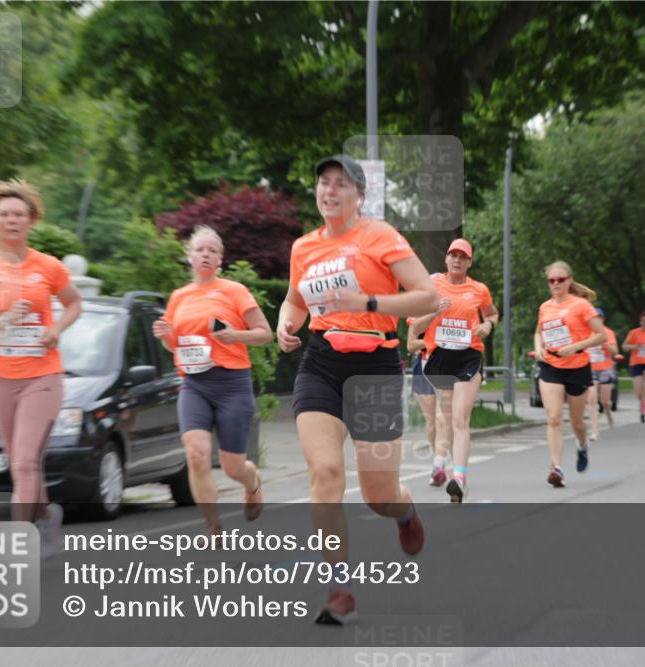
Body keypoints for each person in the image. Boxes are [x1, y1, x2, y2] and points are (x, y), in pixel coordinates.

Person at [276, 155, 438, 624]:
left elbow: (427, 295)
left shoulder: (379, 236)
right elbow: (294, 299)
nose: (330, 191)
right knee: (324, 473)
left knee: (377, 495)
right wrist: (288, 324)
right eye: (323, 183)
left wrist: (368, 301)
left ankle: (405, 512)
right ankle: (338, 588)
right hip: (321, 363)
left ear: (359, 196)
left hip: (376, 367)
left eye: (341, 184)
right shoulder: (303, 247)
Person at [0, 179, 83, 555]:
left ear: (31, 221)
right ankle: (44, 519)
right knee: (20, 464)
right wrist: (3, 322)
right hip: (0, 378)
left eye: (19, 214)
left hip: (43, 377)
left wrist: (56, 328)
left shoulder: (49, 266)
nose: (12, 220)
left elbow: (75, 304)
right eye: (4, 214)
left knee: (27, 460)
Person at [152, 225, 273, 536]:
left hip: (231, 383)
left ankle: (252, 481)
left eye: (212, 251)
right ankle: (212, 525)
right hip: (194, 385)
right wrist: (168, 337)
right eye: (200, 250)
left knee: (233, 467)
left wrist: (235, 336)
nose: (205, 255)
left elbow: (264, 333)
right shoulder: (178, 297)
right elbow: (174, 344)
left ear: (220, 259)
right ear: (189, 257)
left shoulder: (234, 291)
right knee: (196, 453)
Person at [410, 239, 498, 502]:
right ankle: (442, 462)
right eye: (453, 255)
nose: (458, 260)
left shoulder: (479, 289)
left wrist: (488, 326)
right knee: (445, 418)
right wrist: (435, 313)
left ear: (469, 262)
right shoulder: (432, 287)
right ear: (446, 259)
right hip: (439, 358)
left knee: (460, 419)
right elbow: (415, 328)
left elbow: (492, 314)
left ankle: (458, 477)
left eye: (463, 256)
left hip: (468, 356)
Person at [533, 261, 608, 488]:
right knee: (554, 418)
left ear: (569, 280)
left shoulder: (582, 305)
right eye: (551, 281)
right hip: (552, 365)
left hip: (577, 366)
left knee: (577, 422)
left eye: (560, 280)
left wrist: (576, 346)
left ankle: (582, 444)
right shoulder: (545, 307)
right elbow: (538, 332)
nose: (556, 284)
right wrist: (538, 348)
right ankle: (556, 468)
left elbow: (601, 336)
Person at [405, 316, 439, 485]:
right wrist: (433, 340)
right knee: (432, 421)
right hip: (425, 366)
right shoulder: (418, 315)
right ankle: (437, 463)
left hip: (450, 366)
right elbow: (411, 345)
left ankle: (449, 461)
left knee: (446, 420)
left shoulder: (453, 309)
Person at [585, 307, 618, 441]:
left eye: (599, 317)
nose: (596, 320)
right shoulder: (586, 332)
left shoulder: (608, 332)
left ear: (602, 319)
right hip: (590, 369)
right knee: (592, 399)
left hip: (605, 368)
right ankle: (595, 430)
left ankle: (608, 413)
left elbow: (614, 352)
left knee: (605, 401)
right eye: (594, 318)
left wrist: (604, 343)